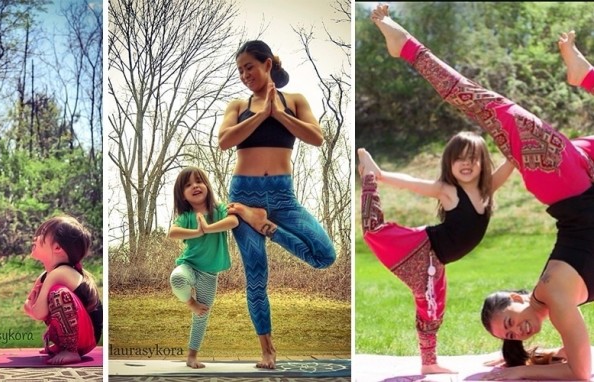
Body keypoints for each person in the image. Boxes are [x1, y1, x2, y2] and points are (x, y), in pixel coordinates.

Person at [371, 4, 594, 380]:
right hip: (582, 186)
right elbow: (580, 364)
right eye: (509, 335)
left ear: (518, 297)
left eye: (509, 322)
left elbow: (581, 372)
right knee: (490, 109)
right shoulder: (556, 301)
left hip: (567, 182)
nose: (516, 332)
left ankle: (407, 47)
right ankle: (585, 75)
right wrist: (526, 364)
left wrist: (519, 374)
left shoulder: (555, 294)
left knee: (486, 105)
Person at [217, 40, 337, 369]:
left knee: (325, 255)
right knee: (256, 277)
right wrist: (261, 115)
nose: (244, 74)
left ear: (267, 64)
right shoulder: (237, 105)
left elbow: (316, 136)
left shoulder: (295, 100)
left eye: (249, 67)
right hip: (244, 194)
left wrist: (280, 114)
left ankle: (264, 225)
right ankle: (267, 350)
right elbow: (224, 142)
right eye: (240, 70)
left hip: (283, 197)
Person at [357, 132, 514, 374]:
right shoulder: (448, 191)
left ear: (483, 161)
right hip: (423, 250)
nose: (466, 163)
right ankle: (370, 178)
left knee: (432, 308)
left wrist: (516, 139)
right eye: (459, 158)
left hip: (436, 260)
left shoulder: (487, 189)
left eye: (473, 158)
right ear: (449, 163)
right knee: (374, 231)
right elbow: (412, 182)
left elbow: (511, 160)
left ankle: (429, 363)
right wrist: (382, 176)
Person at [167, 166, 238, 369]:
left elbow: (233, 221)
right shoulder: (187, 216)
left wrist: (207, 228)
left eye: (198, 181)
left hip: (209, 274)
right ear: (182, 194)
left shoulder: (219, 211)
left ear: (206, 185)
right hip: (189, 266)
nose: (195, 186)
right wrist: (198, 232)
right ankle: (190, 302)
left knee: (202, 316)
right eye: (188, 185)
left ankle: (192, 356)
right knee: (177, 279)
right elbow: (172, 232)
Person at [23, 215, 103, 365]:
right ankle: (62, 345)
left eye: (42, 234)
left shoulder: (60, 273)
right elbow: (30, 306)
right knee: (53, 294)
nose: (35, 237)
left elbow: (37, 312)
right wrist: (33, 308)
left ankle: (70, 350)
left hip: (88, 336)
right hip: (79, 333)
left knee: (59, 294)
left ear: (57, 248)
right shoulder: (44, 276)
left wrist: (32, 308)